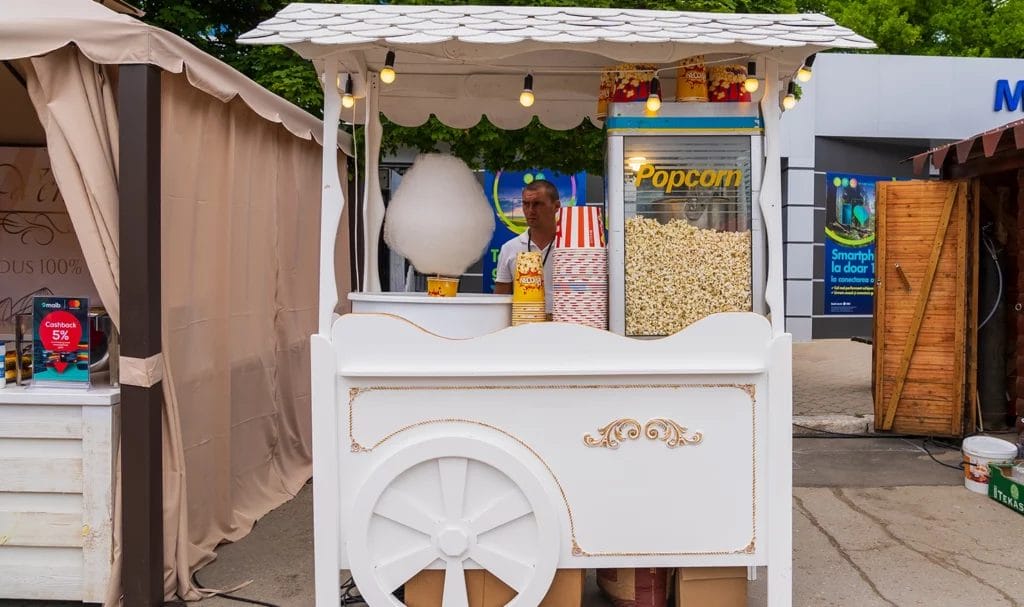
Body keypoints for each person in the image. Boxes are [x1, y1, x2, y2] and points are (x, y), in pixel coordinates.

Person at [494, 179, 561, 314]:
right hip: (524, 324)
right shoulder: (510, 248)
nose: (530, 210)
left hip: (565, 325)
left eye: (537, 204)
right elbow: (500, 301)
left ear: (556, 206)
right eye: (525, 204)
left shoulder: (570, 247)